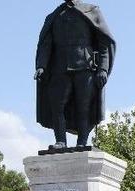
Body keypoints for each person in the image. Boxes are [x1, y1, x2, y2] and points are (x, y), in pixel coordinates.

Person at [35, 0, 115, 150]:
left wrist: (103, 69)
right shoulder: (54, 16)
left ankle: (82, 142)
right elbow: (46, 44)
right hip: (59, 68)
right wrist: (41, 66)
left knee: (83, 106)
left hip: (85, 67)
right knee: (57, 106)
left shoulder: (91, 10)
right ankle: (60, 141)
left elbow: (104, 43)